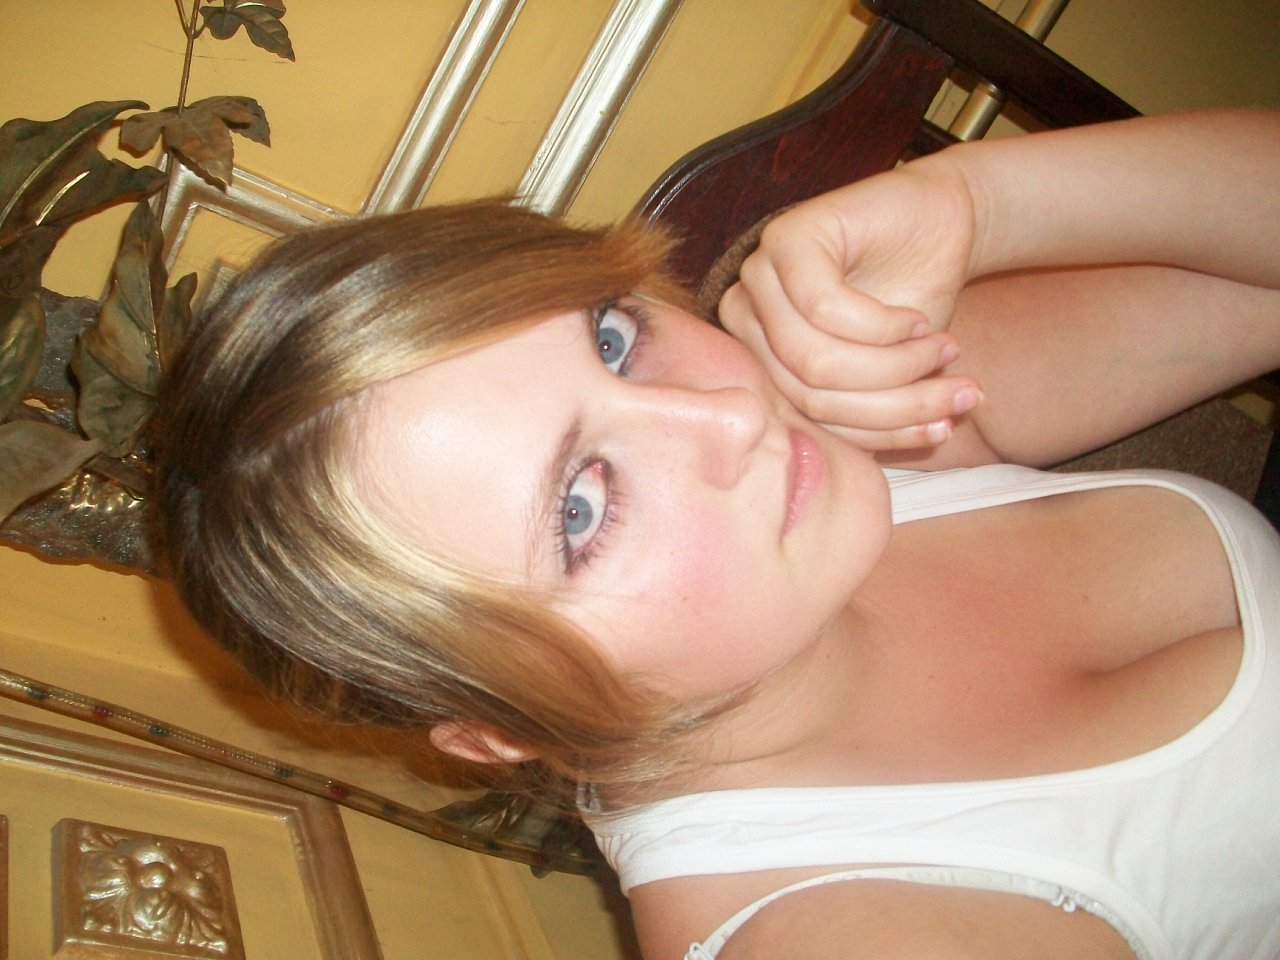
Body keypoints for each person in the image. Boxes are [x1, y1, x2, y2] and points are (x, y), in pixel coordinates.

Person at [156, 108, 1280, 960]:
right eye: (580, 510)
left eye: (611, 338)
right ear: (498, 726)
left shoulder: (841, 440)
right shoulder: (843, 931)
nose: (730, 414)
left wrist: (973, 203)